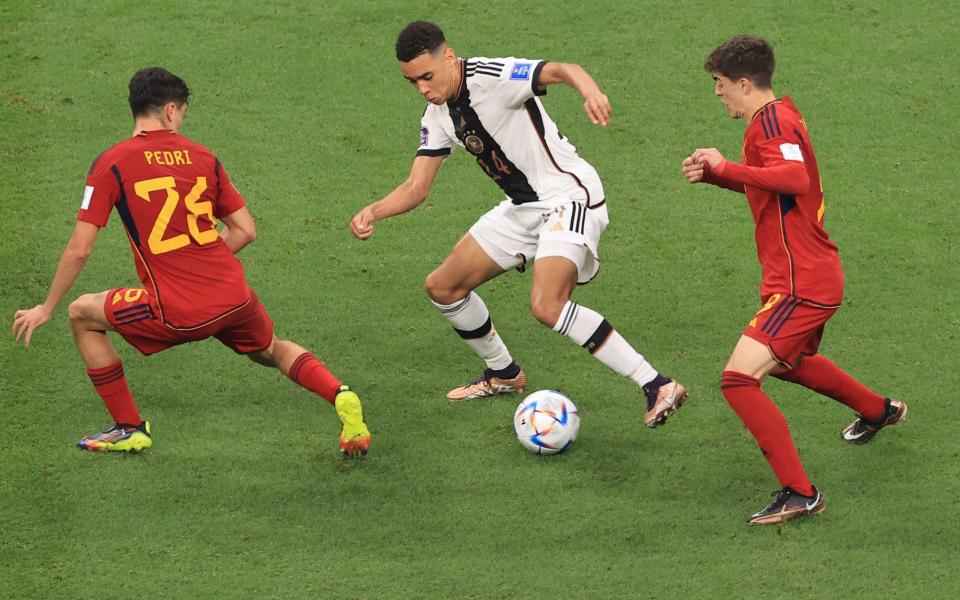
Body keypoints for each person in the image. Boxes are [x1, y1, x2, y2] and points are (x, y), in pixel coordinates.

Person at [12, 67, 371, 457]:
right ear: (169, 110)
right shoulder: (203, 156)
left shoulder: (111, 163)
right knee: (271, 348)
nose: (181, 121)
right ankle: (338, 393)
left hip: (178, 309)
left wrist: (46, 307)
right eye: (182, 112)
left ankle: (130, 428)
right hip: (234, 296)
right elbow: (245, 230)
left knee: (81, 314)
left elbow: (80, 249)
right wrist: (203, 264)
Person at [350, 21, 687, 427]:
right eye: (412, 81)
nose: (422, 87)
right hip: (522, 208)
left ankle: (656, 383)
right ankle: (504, 374)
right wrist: (374, 210)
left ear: (449, 58)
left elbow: (563, 69)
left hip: (568, 197)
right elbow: (417, 186)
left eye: (427, 75)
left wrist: (591, 91)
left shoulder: (493, 77)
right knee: (443, 287)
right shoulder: (437, 114)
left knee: (546, 306)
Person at [682, 35, 906, 524]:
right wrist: (719, 175)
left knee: (739, 380)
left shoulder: (774, 122)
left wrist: (727, 165)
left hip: (802, 280)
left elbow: (793, 178)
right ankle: (878, 410)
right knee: (790, 361)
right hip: (803, 273)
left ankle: (799, 492)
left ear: (744, 83)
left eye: (720, 84)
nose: (717, 92)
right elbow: (776, 180)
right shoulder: (776, 114)